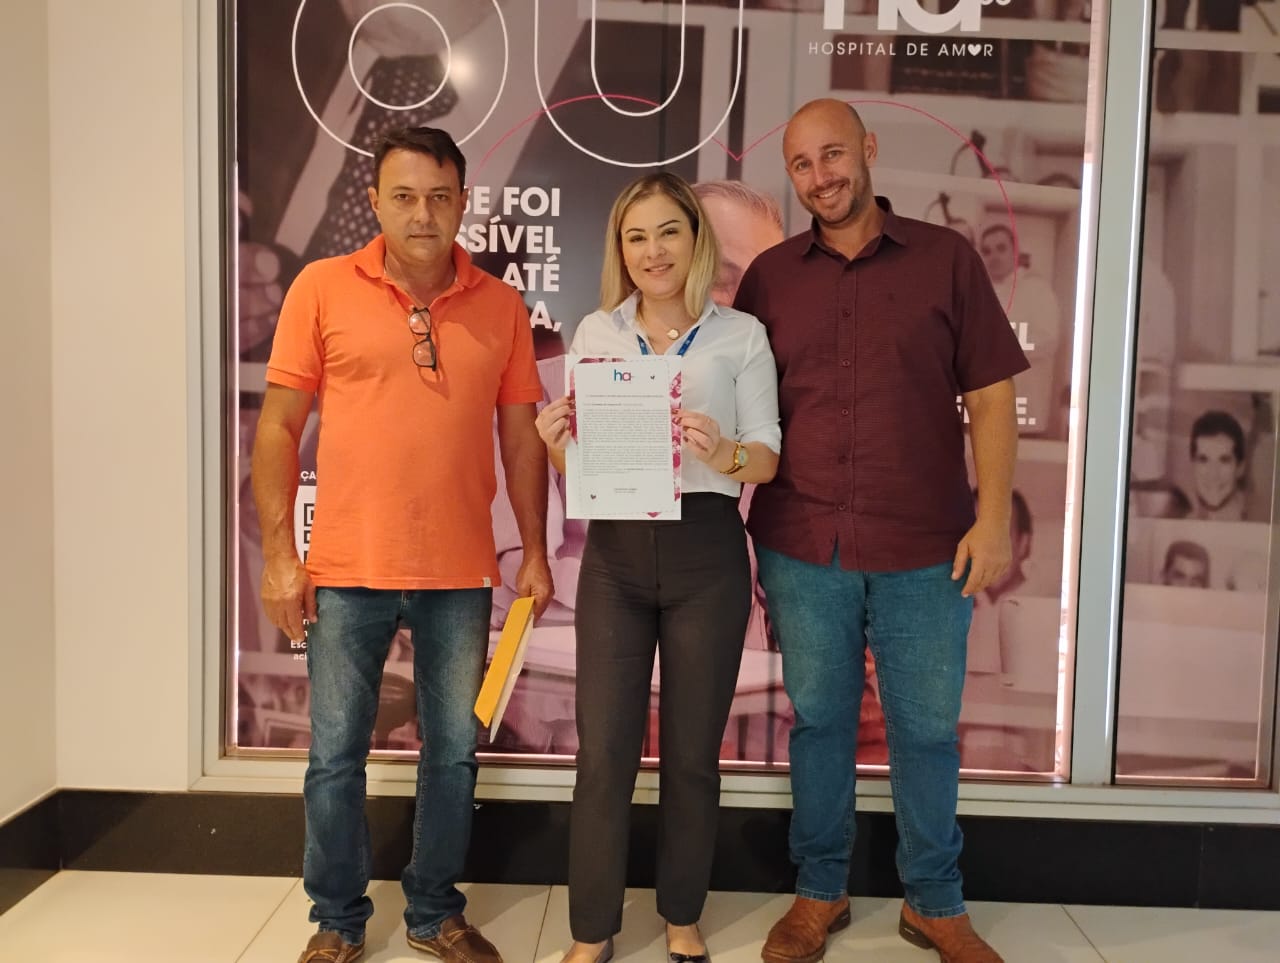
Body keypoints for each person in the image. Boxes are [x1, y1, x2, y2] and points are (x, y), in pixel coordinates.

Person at [734, 99, 1028, 963]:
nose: (820, 176)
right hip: (801, 543)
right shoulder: (769, 278)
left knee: (926, 732)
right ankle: (819, 890)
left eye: (832, 155)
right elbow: (736, 401)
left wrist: (994, 519)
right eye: (801, 164)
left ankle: (935, 901)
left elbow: (992, 398)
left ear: (867, 149)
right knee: (819, 724)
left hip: (927, 546)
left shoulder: (947, 260)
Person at [251, 126, 553, 963]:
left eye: (440, 197)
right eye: (405, 197)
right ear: (376, 202)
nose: (423, 214)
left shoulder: (500, 305)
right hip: (346, 567)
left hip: (460, 571)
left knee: (452, 755)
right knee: (334, 755)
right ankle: (336, 921)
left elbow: (522, 438)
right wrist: (280, 557)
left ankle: (433, 912)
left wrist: (533, 548)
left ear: (463, 203)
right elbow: (277, 428)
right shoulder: (320, 287)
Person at [535, 172, 781, 962]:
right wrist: (556, 445)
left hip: (706, 553)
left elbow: (767, 457)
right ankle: (592, 928)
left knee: (691, 756)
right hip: (614, 557)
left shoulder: (741, 335)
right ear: (622, 248)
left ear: (694, 240)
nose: (653, 250)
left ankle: (681, 913)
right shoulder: (597, 333)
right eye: (636, 236)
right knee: (603, 754)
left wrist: (726, 451)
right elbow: (584, 467)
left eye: (668, 231)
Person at [978, 223, 1062, 437]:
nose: (994, 257)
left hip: (1025, 409)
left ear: (1015, 251)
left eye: (1001, 248)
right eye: (987, 251)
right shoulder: (982, 292)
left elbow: (1047, 340)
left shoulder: (1037, 290)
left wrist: (998, 348)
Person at [1189, 410, 1249, 521]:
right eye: (1203, 460)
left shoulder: (1261, 523)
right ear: (1193, 465)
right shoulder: (1184, 523)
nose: (1213, 474)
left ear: (1240, 468)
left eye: (1224, 460)